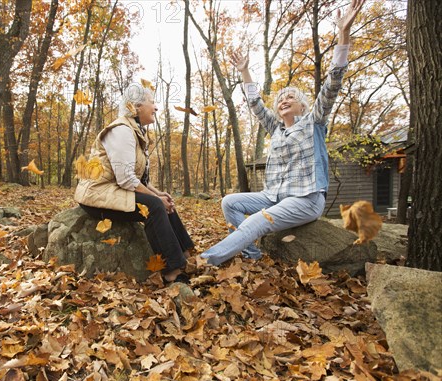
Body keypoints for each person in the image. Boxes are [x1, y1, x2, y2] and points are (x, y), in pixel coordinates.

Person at [201, 0, 365, 266]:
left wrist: (343, 35)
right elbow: (255, 104)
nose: (284, 99)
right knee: (230, 202)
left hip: (305, 199)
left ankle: (205, 261)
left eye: (291, 97)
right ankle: (253, 254)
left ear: (303, 106)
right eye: (280, 98)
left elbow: (333, 83)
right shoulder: (275, 129)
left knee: (257, 220)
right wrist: (244, 71)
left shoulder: (314, 122)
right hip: (273, 196)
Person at [74, 83, 194, 282]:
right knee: (155, 206)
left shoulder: (136, 131)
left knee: (163, 201)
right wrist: (156, 198)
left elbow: (137, 178)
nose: (156, 107)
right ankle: (172, 272)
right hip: (97, 195)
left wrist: (159, 193)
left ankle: (186, 255)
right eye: (152, 102)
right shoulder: (121, 131)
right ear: (137, 107)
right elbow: (125, 179)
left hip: (115, 189)